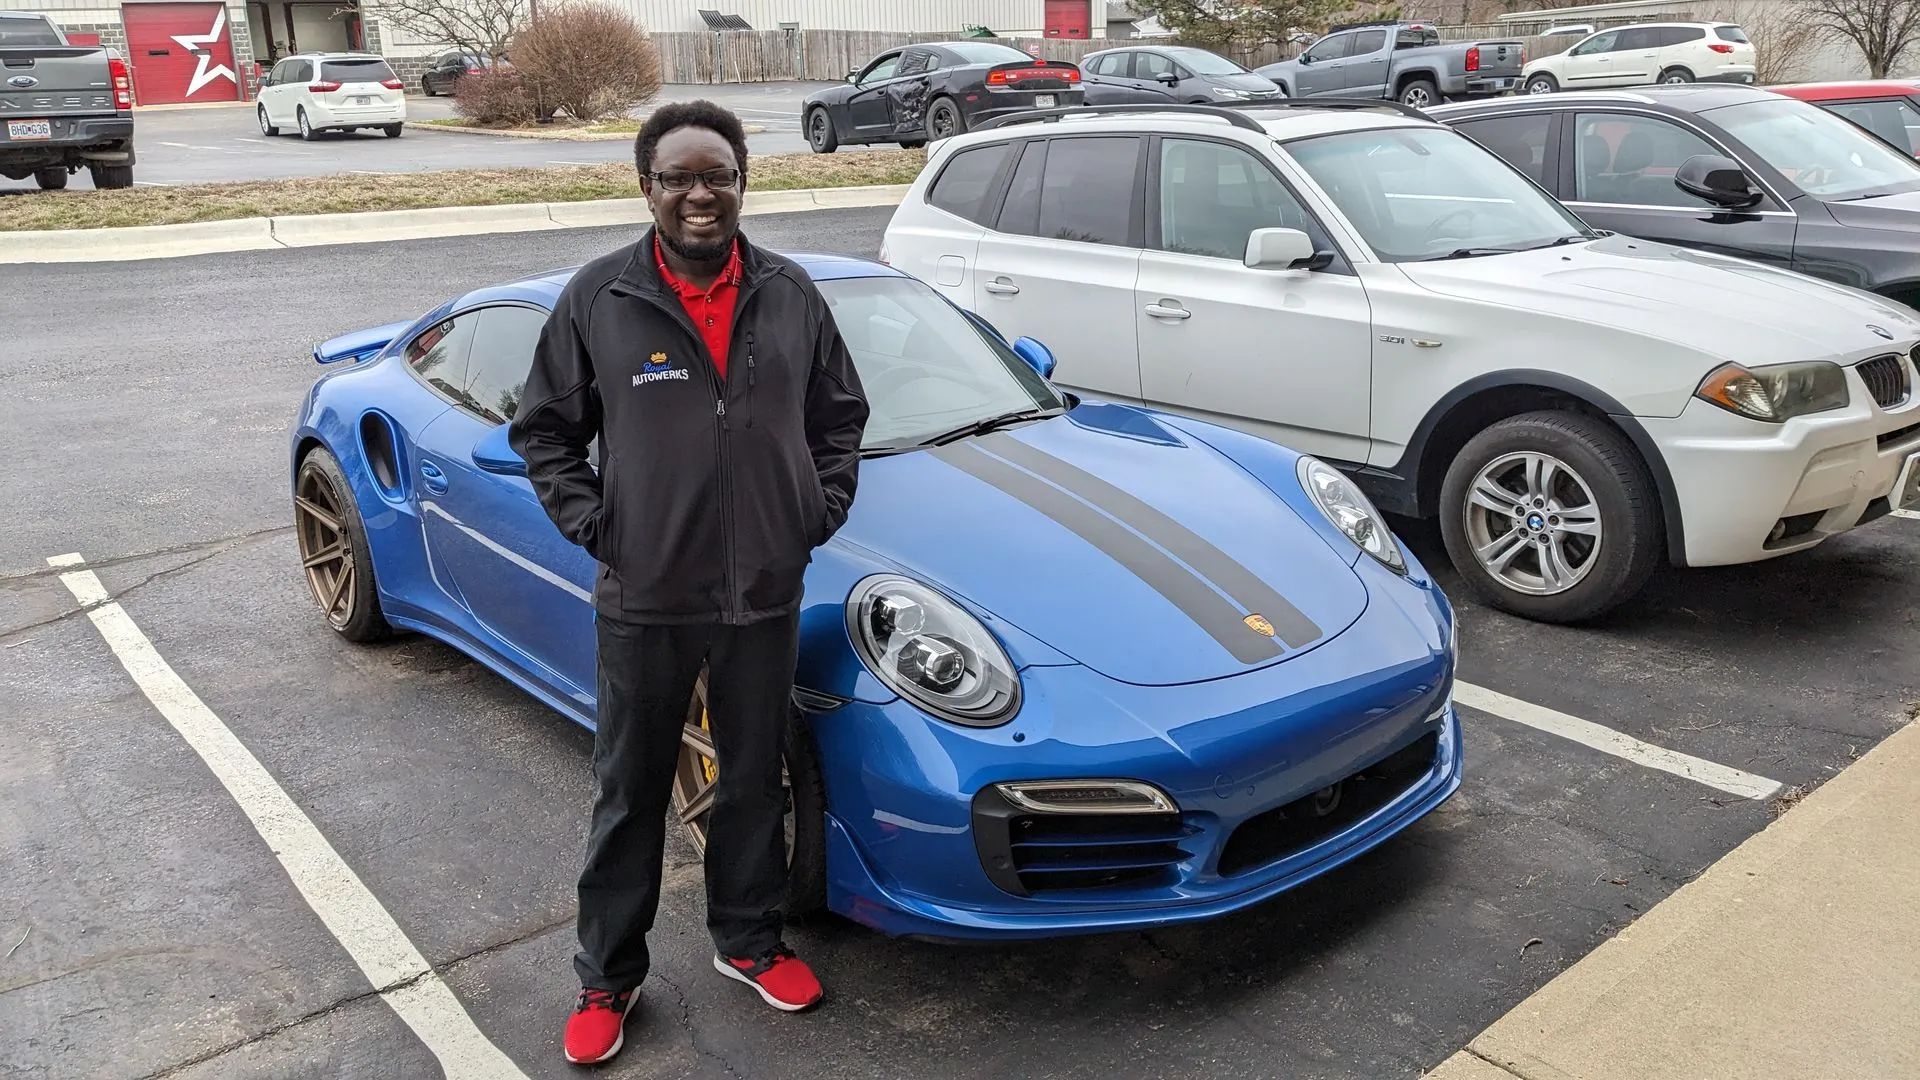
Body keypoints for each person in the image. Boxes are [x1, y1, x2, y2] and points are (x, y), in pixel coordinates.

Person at [509, 100, 869, 1067]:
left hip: (764, 591)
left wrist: (813, 512)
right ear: (648, 188)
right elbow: (543, 432)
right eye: (679, 177)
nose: (701, 194)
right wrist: (603, 529)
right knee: (628, 788)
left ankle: (748, 941)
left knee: (753, 775)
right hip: (647, 595)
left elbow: (841, 417)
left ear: (745, 182)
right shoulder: (601, 299)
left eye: (719, 175)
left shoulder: (791, 294)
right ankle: (607, 977)